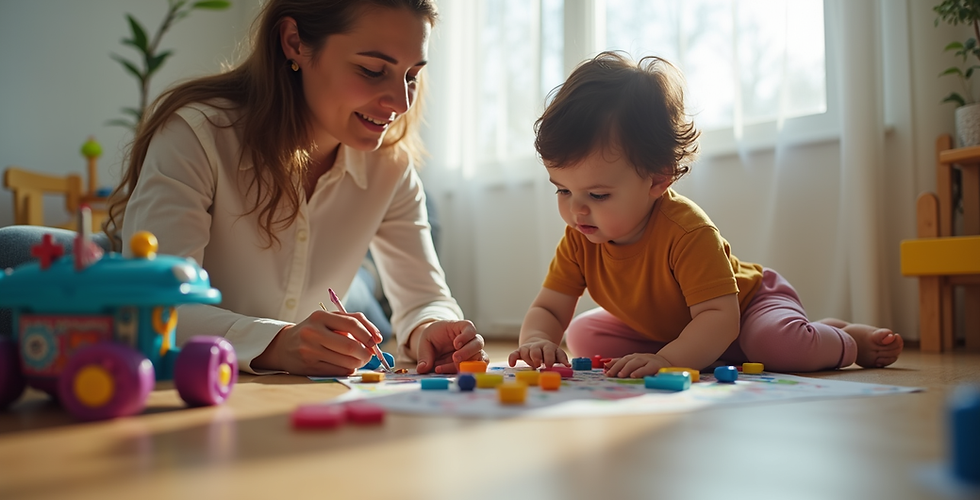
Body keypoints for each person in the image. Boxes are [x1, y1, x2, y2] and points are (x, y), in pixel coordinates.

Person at [105, 0, 486, 377]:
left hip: (295, 405)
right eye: (372, 70)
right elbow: (154, 308)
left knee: (364, 300)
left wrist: (432, 328)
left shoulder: (391, 165)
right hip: (186, 391)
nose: (400, 103)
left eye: (411, 76)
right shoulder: (197, 137)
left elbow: (424, 297)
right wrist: (280, 343)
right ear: (294, 42)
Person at [508, 51, 904, 376]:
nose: (576, 209)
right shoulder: (580, 237)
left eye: (597, 194)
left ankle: (843, 337)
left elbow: (719, 319)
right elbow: (549, 308)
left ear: (658, 180)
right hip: (678, 328)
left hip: (745, 310)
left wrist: (666, 360)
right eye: (562, 189)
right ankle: (704, 353)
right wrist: (537, 340)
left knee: (778, 347)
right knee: (583, 334)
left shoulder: (687, 231)